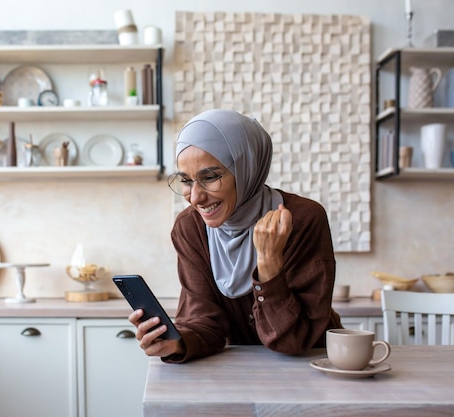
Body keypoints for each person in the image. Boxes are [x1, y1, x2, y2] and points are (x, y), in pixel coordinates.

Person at [128, 109, 343, 363]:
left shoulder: (303, 219)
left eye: (210, 177)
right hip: (235, 368)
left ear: (246, 167)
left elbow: (293, 341)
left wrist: (269, 263)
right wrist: (176, 342)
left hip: (312, 365)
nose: (195, 198)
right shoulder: (190, 228)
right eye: (186, 181)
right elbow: (205, 323)